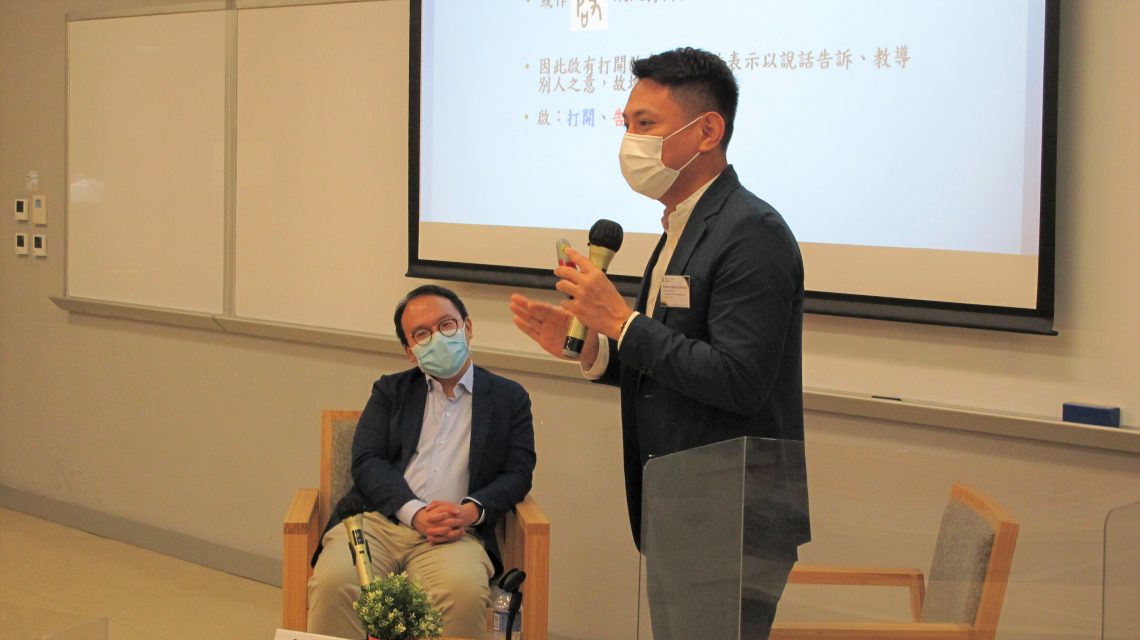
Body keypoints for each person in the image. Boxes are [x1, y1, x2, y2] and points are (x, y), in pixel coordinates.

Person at [510, 47, 809, 638]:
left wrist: (622, 321)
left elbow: (739, 379)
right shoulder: (681, 224)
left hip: (730, 513)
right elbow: (672, 361)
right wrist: (592, 348)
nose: (630, 141)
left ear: (707, 131)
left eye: (646, 124)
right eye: (626, 125)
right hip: (678, 504)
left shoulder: (752, 232)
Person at [309, 284, 536, 640]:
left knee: (461, 594)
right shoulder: (390, 390)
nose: (438, 338)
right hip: (378, 523)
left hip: (457, 532)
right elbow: (367, 460)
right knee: (335, 583)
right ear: (410, 352)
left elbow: (518, 473)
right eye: (422, 334)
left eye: (446, 325)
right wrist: (414, 511)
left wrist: (469, 511)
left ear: (468, 327)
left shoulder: (510, 398)